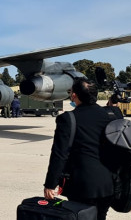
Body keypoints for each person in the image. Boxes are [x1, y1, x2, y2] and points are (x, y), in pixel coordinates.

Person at [44, 79, 115, 219]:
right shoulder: (111, 115)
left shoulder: (68, 118)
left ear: (74, 96)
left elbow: (60, 154)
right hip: (108, 184)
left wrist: (50, 184)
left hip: (82, 186)